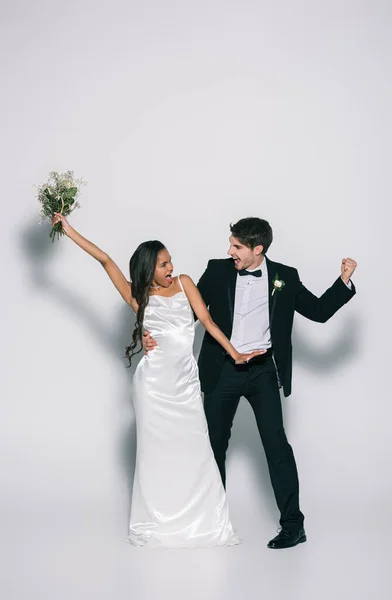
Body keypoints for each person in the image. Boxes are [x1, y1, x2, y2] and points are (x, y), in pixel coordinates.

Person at [51, 212, 265, 548]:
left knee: (195, 448)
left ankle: (200, 521)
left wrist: (235, 353)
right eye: (164, 264)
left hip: (185, 384)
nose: (170, 269)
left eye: (170, 262)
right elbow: (105, 260)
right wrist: (68, 229)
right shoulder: (138, 297)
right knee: (155, 455)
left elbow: (207, 322)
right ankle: (157, 520)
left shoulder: (185, 283)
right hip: (152, 387)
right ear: (149, 268)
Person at [143, 217, 357, 549]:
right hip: (222, 369)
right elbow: (185, 312)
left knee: (277, 447)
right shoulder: (217, 271)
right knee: (212, 446)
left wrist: (343, 281)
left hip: (262, 372)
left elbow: (317, 311)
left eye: (237, 247)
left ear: (258, 250)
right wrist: (149, 333)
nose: (230, 251)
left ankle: (293, 526)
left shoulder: (285, 276)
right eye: (230, 244)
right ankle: (209, 523)